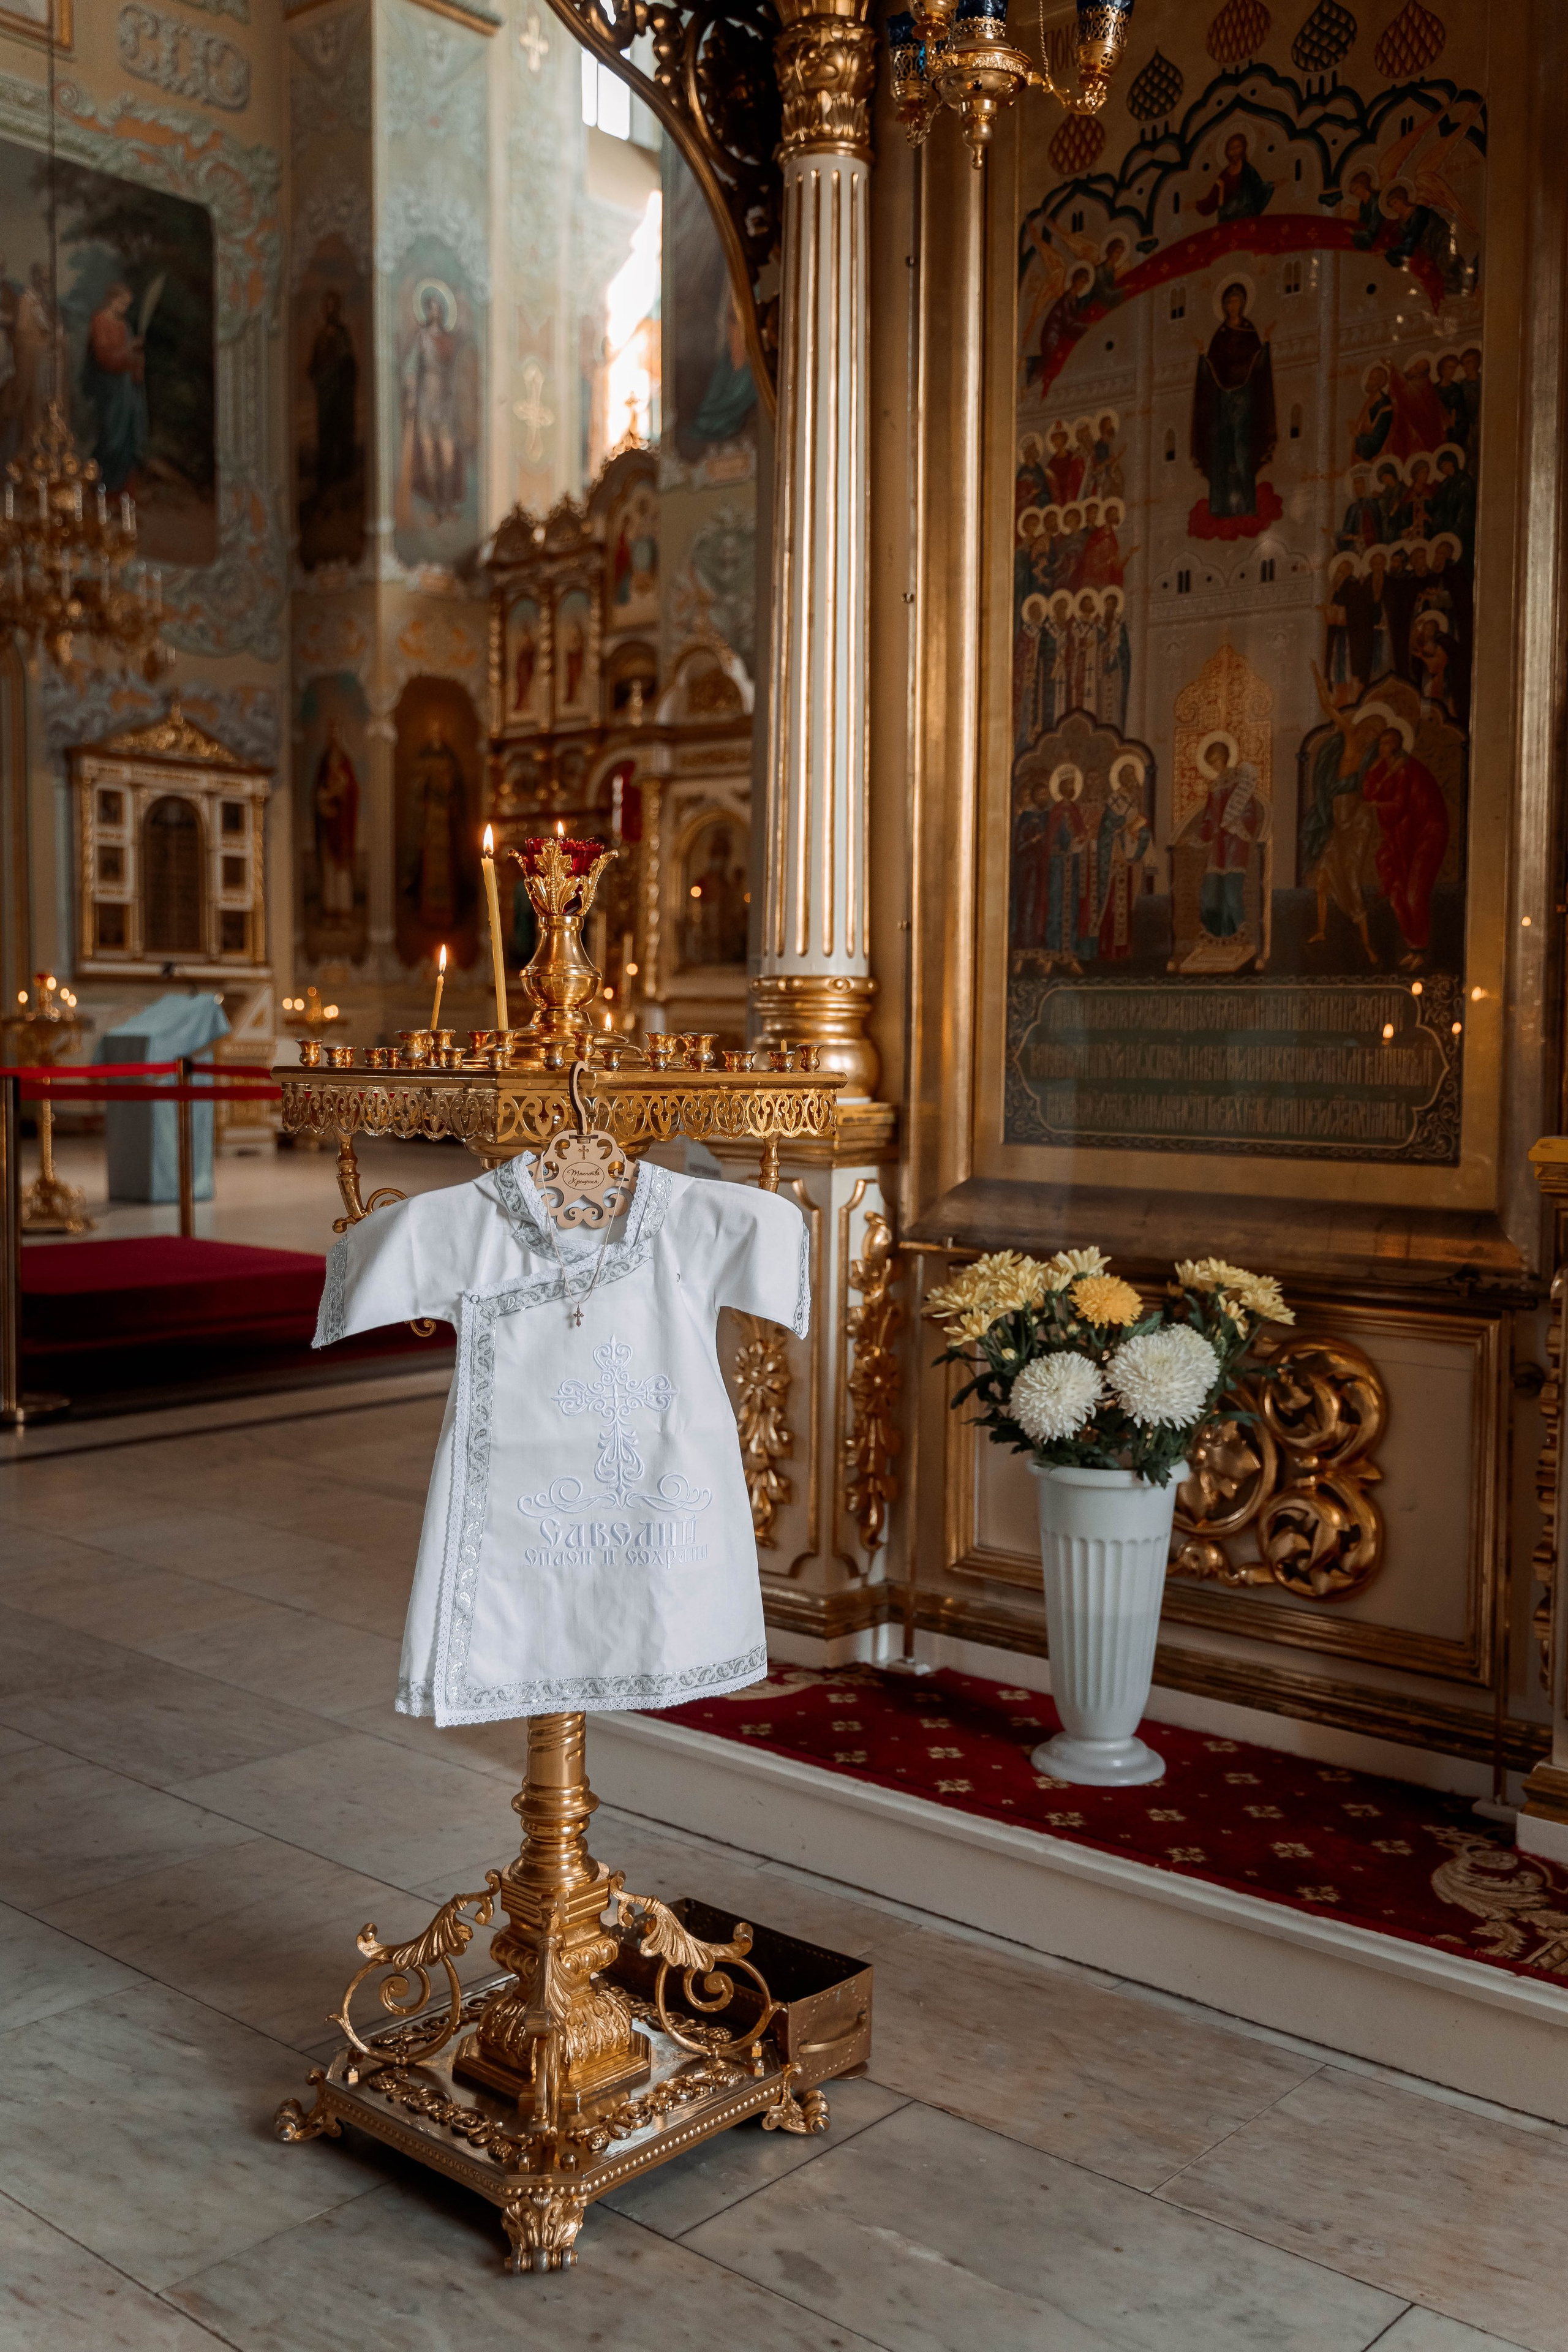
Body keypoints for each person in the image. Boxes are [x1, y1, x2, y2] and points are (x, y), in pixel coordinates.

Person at [1302, 665, 1382, 965]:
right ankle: (1321, 930)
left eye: (1375, 732)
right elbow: (1329, 710)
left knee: (1350, 878)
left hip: (1357, 818)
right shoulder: (1350, 739)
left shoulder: (1373, 757)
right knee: (1323, 878)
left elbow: (1378, 788)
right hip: (1338, 815)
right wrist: (1321, 688)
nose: (1368, 734)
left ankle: (1367, 943)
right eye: (1368, 729)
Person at [1362, 722, 1449, 967]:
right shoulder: (1386, 768)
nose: (1383, 747)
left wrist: (1377, 806)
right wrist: (1378, 769)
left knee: (1414, 894)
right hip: (1401, 839)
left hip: (1425, 835)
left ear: (1399, 744)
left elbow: (1399, 806)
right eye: (1381, 743)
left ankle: (1421, 952)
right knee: (1397, 897)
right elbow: (1368, 791)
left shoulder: (1406, 769)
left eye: (1388, 742)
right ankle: (1414, 948)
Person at [1191, 282, 1276, 521]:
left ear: (1243, 304)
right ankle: (1220, 505)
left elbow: (1259, 365)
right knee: (1221, 449)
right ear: (1224, 305)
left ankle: (1246, 504)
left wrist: (1267, 343)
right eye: (1229, 301)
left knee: (1241, 448)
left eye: (1237, 301)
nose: (1233, 305)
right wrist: (1201, 358)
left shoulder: (1249, 332)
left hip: (1244, 399)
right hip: (1222, 402)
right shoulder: (1220, 335)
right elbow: (1212, 368)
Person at [1184, 741, 1269, 944]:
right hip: (1217, 847)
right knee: (1209, 891)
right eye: (1211, 761)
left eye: (1216, 759)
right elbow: (1208, 819)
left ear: (1224, 756)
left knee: (1232, 892)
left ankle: (1240, 935)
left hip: (1234, 844)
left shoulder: (1240, 781)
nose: (1214, 765)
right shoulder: (1214, 787)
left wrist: (1237, 825)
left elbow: (1250, 813)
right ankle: (1213, 937)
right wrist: (1197, 838)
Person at [403, 288, 462, 524]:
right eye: (431, 307)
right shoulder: (421, 338)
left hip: (446, 402)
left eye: (438, 307)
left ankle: (447, 505)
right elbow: (410, 368)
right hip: (427, 400)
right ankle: (437, 506)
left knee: (447, 456)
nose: (434, 311)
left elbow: (458, 371)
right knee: (430, 456)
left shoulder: (449, 340)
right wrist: (410, 392)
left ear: (443, 311)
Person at [83, 281, 148, 495]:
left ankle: (122, 494)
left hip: (127, 390)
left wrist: (136, 358)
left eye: (127, 304)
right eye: (122, 302)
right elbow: (104, 359)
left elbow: (129, 359)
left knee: (128, 438)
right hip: (110, 390)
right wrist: (129, 349)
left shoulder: (124, 326)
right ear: (112, 299)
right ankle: (102, 489)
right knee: (112, 440)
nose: (124, 308)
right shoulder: (100, 321)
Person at [405, 714, 469, 933]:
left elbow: (457, 787)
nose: (436, 734)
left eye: (439, 730)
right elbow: (417, 788)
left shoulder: (450, 757)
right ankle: (429, 913)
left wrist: (451, 796)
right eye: (433, 731)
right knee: (429, 865)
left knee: (447, 866)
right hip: (431, 819)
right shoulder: (423, 757)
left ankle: (447, 914)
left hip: (446, 820)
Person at [1094, 760, 1152, 961]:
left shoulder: (1134, 801)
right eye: (1126, 775)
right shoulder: (1114, 800)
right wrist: (1122, 826)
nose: (1130, 779)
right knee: (1113, 903)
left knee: (1126, 905)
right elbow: (1106, 829)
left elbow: (1137, 825)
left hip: (1129, 856)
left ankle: (1124, 950)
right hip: (1115, 859)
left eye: (1132, 775)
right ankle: (1108, 948)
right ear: (1120, 778)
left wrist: (1139, 832)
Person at [308, 289, 358, 498]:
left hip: (340, 394)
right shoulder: (320, 336)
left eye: (333, 306)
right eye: (327, 306)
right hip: (325, 395)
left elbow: (349, 364)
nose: (330, 310)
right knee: (325, 435)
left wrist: (340, 377)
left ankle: (345, 477)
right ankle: (325, 479)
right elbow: (314, 364)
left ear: (337, 309)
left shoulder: (343, 333)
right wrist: (318, 376)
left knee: (342, 432)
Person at [312, 720, 359, 921]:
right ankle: (330, 911)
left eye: (338, 733)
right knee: (329, 868)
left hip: (342, 826)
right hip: (328, 823)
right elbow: (317, 792)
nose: (335, 737)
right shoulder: (324, 762)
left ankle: (344, 911)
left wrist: (343, 790)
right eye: (332, 733)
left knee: (342, 869)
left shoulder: (345, 763)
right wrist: (324, 797)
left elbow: (353, 791)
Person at [1194, 129, 1275, 221]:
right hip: (1227, 215)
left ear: (1244, 148)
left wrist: (1271, 185)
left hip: (1246, 212)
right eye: (1232, 149)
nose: (1235, 152)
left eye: (1238, 147)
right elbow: (1213, 198)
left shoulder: (1248, 169)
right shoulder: (1224, 174)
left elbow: (1258, 186)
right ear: (1227, 151)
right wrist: (1197, 204)